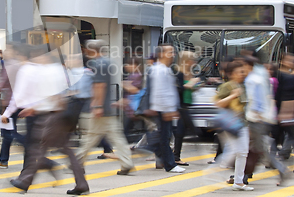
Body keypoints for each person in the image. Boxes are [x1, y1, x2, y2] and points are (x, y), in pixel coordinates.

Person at [9, 45, 89, 195]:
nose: (35, 59)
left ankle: (25, 180)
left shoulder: (51, 71)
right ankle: (81, 183)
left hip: (51, 116)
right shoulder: (57, 69)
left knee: (37, 149)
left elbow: (53, 97)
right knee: (64, 150)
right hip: (59, 115)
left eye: (38, 55)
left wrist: (34, 108)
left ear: (46, 56)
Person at [75, 40, 134, 175]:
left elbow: (99, 86)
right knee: (117, 137)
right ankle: (127, 163)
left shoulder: (98, 64)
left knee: (90, 137)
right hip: (108, 108)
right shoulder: (108, 62)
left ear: (91, 50)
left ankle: (77, 163)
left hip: (100, 108)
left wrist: (97, 105)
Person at [135, 44, 185, 173]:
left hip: (164, 108)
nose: (173, 55)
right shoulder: (159, 70)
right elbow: (158, 91)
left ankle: (160, 157)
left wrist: (172, 108)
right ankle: (168, 163)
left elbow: (169, 91)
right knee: (163, 137)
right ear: (161, 54)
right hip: (161, 108)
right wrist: (166, 109)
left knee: (163, 137)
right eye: (170, 52)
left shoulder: (165, 69)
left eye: (173, 52)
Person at [243, 56, 289, 186]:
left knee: (259, 150)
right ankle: (243, 176)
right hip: (263, 118)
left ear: (248, 65)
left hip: (257, 119)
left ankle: (281, 170)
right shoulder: (261, 77)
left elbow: (256, 101)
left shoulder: (252, 79)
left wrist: (257, 117)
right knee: (256, 149)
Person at [214, 61, 252, 191]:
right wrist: (233, 96)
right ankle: (215, 170)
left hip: (242, 123)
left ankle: (238, 181)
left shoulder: (242, 86)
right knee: (235, 152)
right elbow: (218, 103)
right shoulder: (227, 86)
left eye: (243, 72)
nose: (243, 74)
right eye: (240, 72)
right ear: (231, 74)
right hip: (231, 124)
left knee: (243, 152)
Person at [174, 51, 200, 166]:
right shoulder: (178, 73)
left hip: (187, 105)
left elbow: (189, 89)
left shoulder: (189, 73)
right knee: (194, 131)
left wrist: (196, 85)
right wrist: (190, 83)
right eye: (192, 60)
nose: (194, 63)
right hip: (181, 106)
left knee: (181, 132)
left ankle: (175, 156)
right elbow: (178, 89)